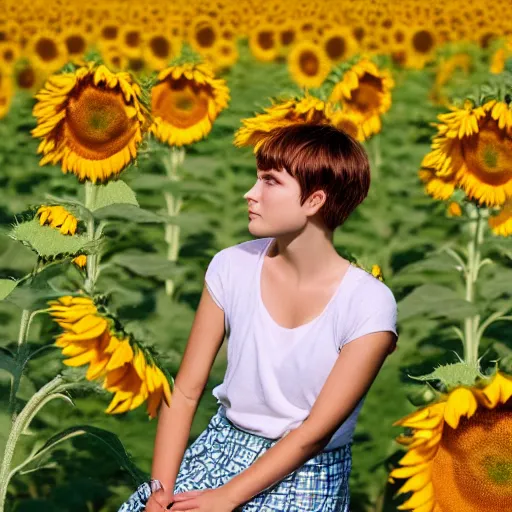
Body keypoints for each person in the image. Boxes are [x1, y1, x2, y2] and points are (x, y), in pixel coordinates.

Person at [117, 122, 399, 512]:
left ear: (314, 201)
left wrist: (227, 498)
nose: (250, 194)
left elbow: (314, 434)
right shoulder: (232, 267)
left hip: (306, 470)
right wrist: (159, 492)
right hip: (219, 446)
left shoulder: (368, 304)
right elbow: (183, 393)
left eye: (270, 181)